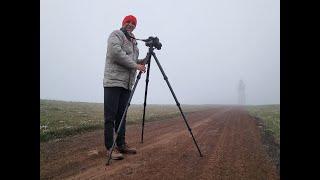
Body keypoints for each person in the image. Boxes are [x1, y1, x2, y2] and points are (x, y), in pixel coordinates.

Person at [103, 15, 147, 160]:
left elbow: (133, 60)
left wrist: (144, 60)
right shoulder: (116, 35)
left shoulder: (134, 42)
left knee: (122, 115)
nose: (130, 24)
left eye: (133, 23)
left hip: (127, 84)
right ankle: (110, 147)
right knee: (110, 116)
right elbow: (116, 54)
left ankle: (121, 144)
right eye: (128, 22)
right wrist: (136, 66)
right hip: (114, 81)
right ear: (123, 23)